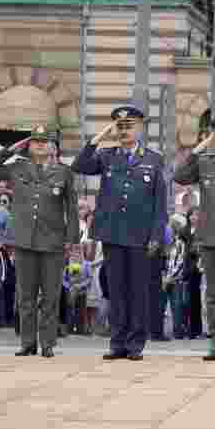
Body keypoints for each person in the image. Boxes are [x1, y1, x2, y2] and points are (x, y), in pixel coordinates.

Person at [73, 105, 168, 361]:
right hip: (113, 233)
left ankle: (135, 343)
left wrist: (157, 236)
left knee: (138, 291)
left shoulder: (153, 159)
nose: (124, 131)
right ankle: (117, 343)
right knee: (116, 290)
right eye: (120, 126)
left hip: (140, 236)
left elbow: (160, 203)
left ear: (140, 128)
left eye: (129, 126)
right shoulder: (106, 156)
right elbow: (80, 165)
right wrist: (99, 137)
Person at [0, 125, 79, 357]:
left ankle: (47, 343)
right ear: (28, 145)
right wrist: (11, 148)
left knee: (50, 296)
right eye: (35, 141)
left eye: (43, 141)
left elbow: (72, 208)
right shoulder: (17, 167)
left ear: (51, 147)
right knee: (25, 296)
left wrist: (71, 239)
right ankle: (27, 342)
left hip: (53, 241)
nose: (39, 145)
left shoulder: (63, 173)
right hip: (24, 240)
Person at [173, 115, 215, 360]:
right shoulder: (205, 161)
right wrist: (202, 145)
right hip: (211, 237)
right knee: (213, 294)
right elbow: (179, 175)